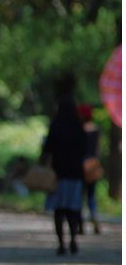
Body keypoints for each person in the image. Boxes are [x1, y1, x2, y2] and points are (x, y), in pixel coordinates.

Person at [43, 97, 87, 254]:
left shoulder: (56, 127)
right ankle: (74, 239)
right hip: (75, 174)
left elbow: (46, 150)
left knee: (59, 210)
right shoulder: (79, 128)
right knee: (73, 209)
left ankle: (61, 243)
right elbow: (85, 151)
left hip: (58, 174)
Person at [77, 104, 101, 235]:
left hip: (81, 165)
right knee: (91, 195)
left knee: (80, 196)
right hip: (93, 164)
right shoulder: (96, 130)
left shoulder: (79, 129)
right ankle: (94, 218)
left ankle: (80, 223)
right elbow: (98, 150)